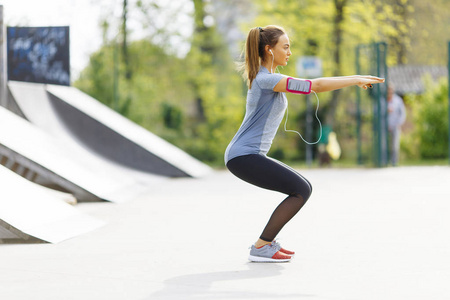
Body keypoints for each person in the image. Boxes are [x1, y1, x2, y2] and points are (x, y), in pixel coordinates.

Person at [224, 25, 384, 263]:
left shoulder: (267, 78)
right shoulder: (266, 80)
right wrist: (355, 79)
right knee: (301, 190)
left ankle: (264, 244)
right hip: (243, 156)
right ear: (269, 50)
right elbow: (314, 86)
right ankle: (262, 246)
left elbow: (314, 85)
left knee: (303, 186)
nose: (289, 52)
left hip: (247, 155)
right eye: (285, 47)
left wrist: (354, 80)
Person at [387, 84, 406, 166]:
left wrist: (399, 123)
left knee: (394, 145)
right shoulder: (382, 100)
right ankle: (385, 161)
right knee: (384, 145)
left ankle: (394, 162)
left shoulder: (398, 100)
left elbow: (403, 113)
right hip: (385, 126)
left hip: (395, 125)